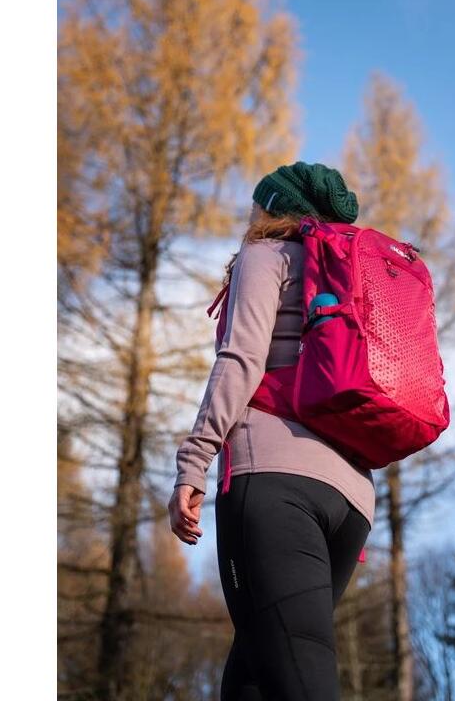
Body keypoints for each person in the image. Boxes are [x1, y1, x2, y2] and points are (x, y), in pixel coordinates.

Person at [168, 162, 375, 701]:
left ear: (274, 209)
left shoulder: (267, 255)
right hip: (352, 503)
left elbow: (241, 360)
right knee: (255, 676)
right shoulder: (354, 278)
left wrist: (193, 462)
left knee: (299, 680)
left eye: (257, 204)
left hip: (275, 485)